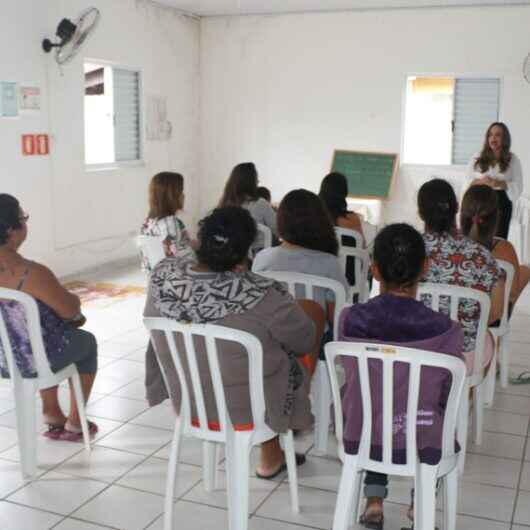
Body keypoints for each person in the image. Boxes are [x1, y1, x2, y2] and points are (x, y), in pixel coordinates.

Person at [144, 207, 323, 478]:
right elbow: (305, 340)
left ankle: (271, 453)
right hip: (248, 408)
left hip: (191, 400)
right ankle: (271, 451)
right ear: (244, 255)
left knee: (249, 353)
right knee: (294, 340)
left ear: (200, 242)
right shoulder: (264, 293)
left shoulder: (163, 276)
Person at [339, 223, 464, 529]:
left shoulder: (350, 319)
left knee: (377, 400)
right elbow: (448, 389)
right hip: (421, 435)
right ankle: (418, 504)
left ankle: (373, 502)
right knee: (431, 412)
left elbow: (351, 369)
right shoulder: (447, 329)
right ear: (425, 267)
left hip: (364, 430)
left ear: (375, 270)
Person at [0, 194, 98, 441]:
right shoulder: (31, 273)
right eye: (24, 218)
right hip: (30, 361)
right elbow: (70, 311)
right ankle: (75, 422)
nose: (26, 223)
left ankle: (52, 412)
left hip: (2, 360)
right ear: (12, 230)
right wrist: (73, 298)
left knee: (39, 338)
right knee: (86, 342)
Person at [418, 178, 505, 374]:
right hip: (466, 357)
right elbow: (494, 314)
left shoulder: (410, 250)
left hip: (418, 351)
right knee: (489, 337)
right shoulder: (484, 257)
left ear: (421, 212)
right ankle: (465, 399)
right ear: (456, 209)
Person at [252, 189, 348, 351]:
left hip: (271, 341)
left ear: (281, 220)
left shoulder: (262, 257)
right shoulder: (330, 263)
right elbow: (336, 319)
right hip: (314, 345)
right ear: (320, 221)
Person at [461, 184, 530, 314]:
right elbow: (512, 293)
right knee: (525, 270)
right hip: (491, 318)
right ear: (497, 216)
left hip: (451, 316)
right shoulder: (505, 248)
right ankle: (497, 332)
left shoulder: (450, 244)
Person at [466, 122, 523, 239]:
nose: (493, 138)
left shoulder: (513, 159)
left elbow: (518, 186)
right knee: (476, 238)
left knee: (497, 239)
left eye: (498, 135)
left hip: (501, 203)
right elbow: (467, 182)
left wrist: (499, 183)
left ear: (505, 138)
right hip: (478, 201)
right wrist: (481, 181)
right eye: (490, 135)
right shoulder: (477, 157)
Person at [140, 172, 194, 271]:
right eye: (181, 191)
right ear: (172, 196)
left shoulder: (148, 222)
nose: (184, 195)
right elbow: (172, 261)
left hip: (154, 278)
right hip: (175, 279)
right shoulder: (170, 224)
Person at [219, 163, 278, 249]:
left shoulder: (223, 205)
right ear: (250, 182)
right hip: (257, 257)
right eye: (256, 178)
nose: (258, 181)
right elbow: (278, 230)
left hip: (229, 256)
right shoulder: (260, 203)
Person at [318, 172, 364, 240]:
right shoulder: (353, 219)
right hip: (346, 251)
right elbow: (362, 244)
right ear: (344, 192)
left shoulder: (313, 216)